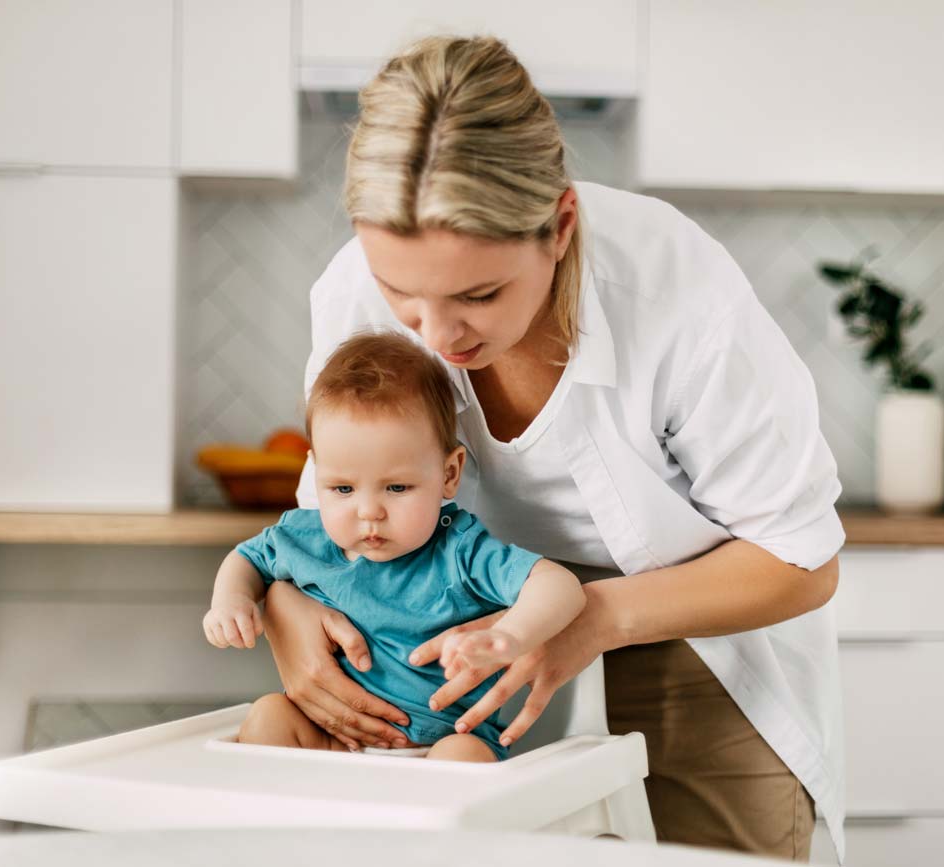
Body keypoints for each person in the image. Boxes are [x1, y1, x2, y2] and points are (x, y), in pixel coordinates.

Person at [264, 35, 848, 863]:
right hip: (449, 644)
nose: (437, 334)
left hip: (691, 621)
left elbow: (803, 559)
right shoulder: (354, 291)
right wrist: (287, 611)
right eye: (403, 294)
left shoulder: (679, 295)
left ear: (561, 225)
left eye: (479, 293)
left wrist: (588, 619)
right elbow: (321, 522)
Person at [203, 331, 586, 763]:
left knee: (463, 757)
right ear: (315, 473)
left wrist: (510, 635)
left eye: (397, 487)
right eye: (342, 487)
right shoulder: (303, 538)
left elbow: (560, 586)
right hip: (331, 740)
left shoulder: (461, 551)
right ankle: (284, 826)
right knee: (268, 716)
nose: (369, 511)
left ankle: (434, 827)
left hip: (438, 746)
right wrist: (231, 600)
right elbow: (247, 558)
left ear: (448, 474)